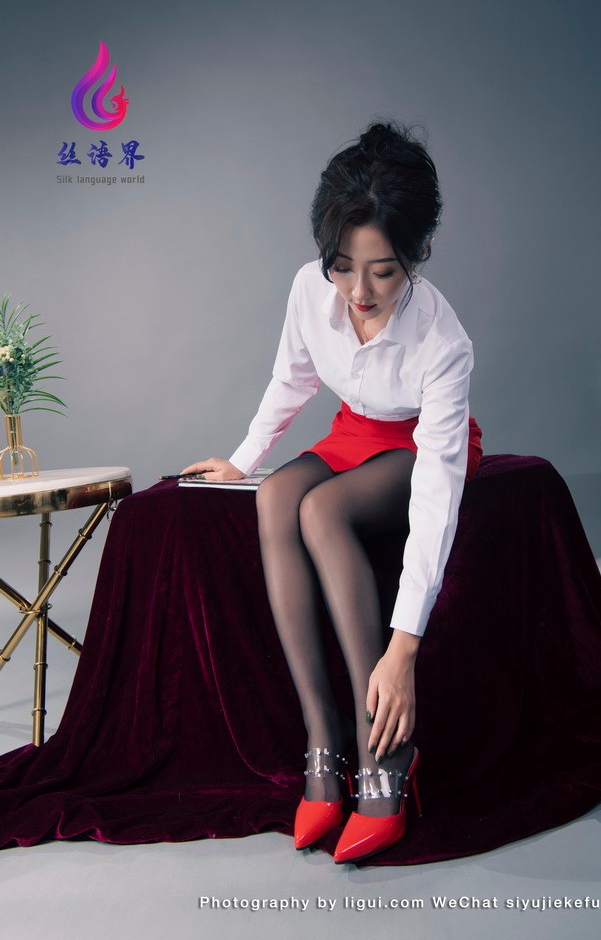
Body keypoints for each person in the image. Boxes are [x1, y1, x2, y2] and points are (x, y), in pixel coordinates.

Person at [182, 121, 483, 863]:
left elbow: (436, 498)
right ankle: (325, 741)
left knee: (322, 508)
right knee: (275, 497)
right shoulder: (308, 289)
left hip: (420, 443)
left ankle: (385, 752)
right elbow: (292, 378)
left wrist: (403, 648)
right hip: (354, 431)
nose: (358, 292)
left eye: (383, 272)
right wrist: (245, 460)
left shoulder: (445, 343)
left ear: (419, 251)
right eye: (343, 267)